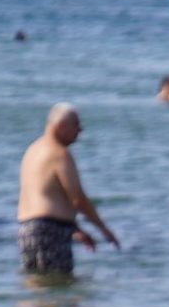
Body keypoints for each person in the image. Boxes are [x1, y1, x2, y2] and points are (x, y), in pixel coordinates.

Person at [18, 104, 120, 278]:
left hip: (28, 230)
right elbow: (78, 199)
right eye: (76, 125)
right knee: (58, 289)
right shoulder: (59, 154)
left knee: (37, 288)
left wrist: (74, 228)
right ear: (61, 126)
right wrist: (103, 229)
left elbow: (47, 196)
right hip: (49, 231)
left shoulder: (33, 150)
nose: (80, 130)